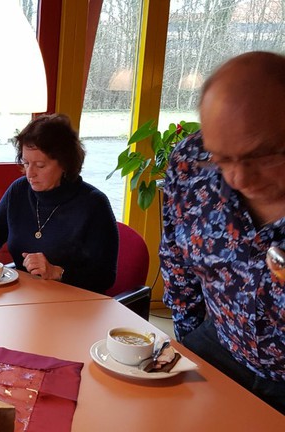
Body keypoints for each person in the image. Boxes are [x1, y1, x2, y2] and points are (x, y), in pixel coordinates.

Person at [160, 51, 285, 413]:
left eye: (262, 155)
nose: (239, 178)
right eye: (223, 158)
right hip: (220, 342)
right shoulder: (190, 163)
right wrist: (187, 331)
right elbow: (175, 259)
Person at [0, 114, 118, 293]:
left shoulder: (93, 204)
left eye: (40, 165)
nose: (30, 173)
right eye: (26, 163)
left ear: (65, 163)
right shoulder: (19, 190)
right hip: (26, 296)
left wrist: (57, 272)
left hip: (74, 301)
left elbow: (105, 277)